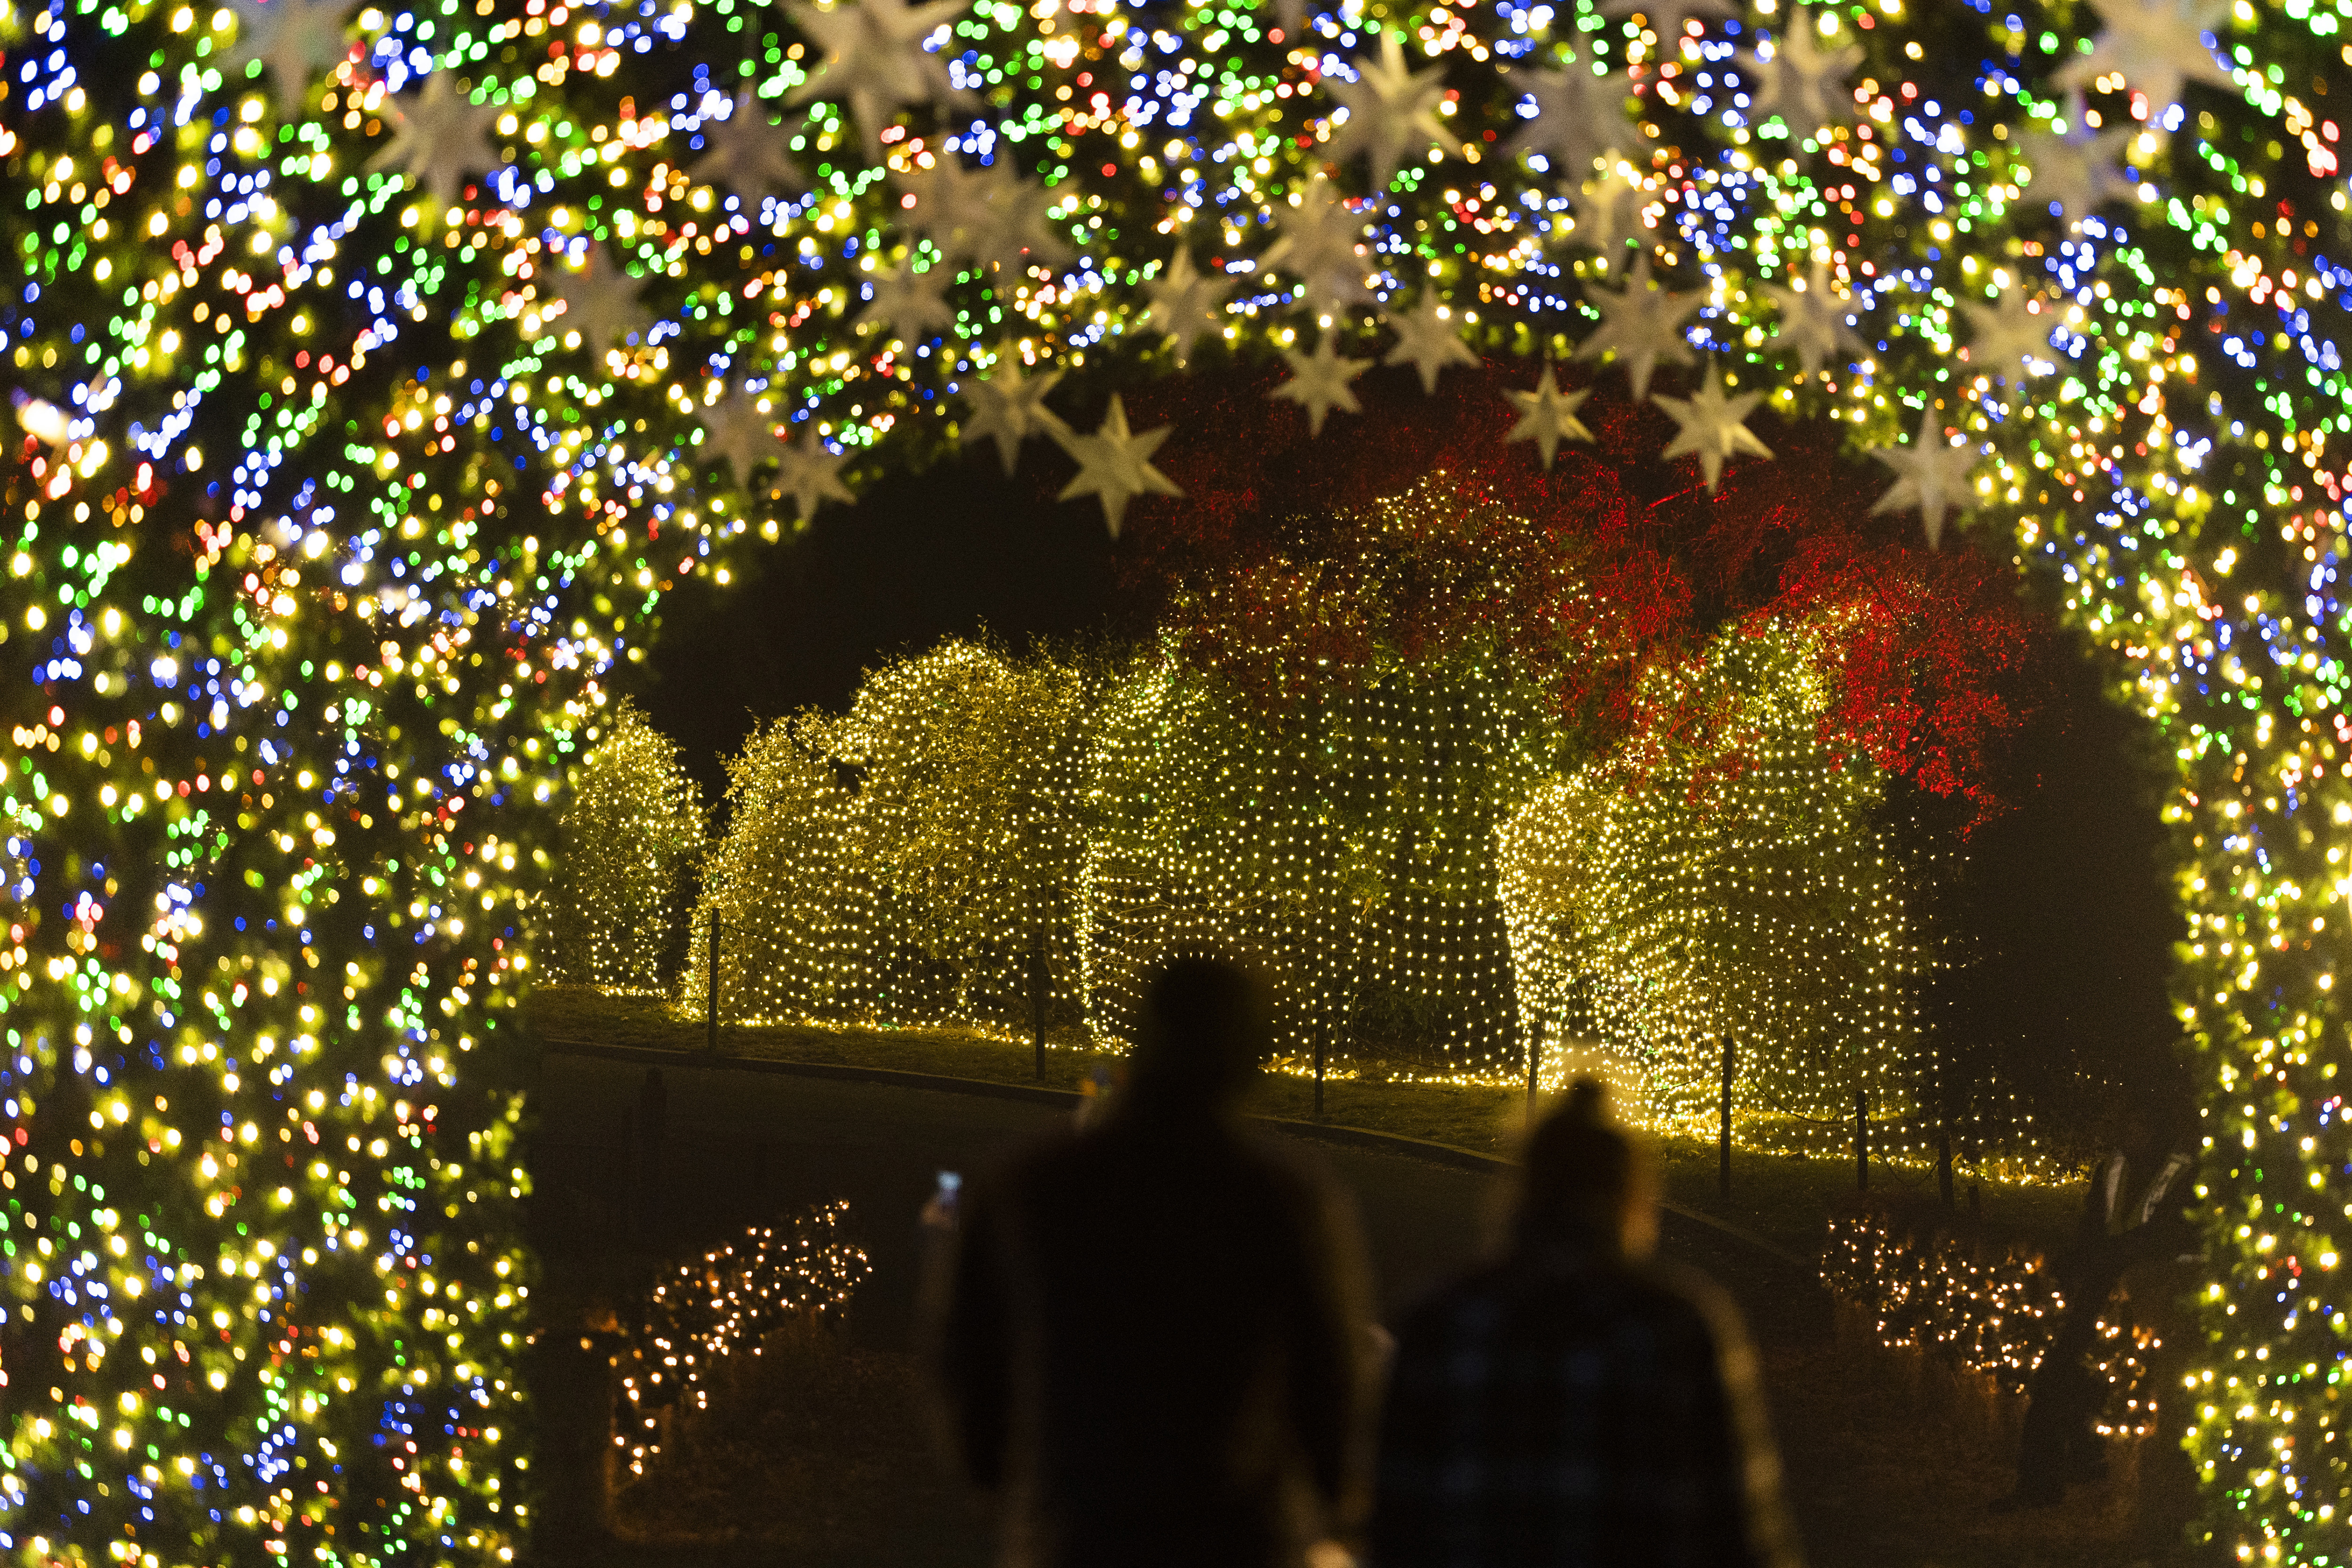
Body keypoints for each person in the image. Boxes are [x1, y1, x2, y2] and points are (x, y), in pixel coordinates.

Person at [932, 955, 1374, 1568]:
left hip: (1079, 1529)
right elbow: (1327, 1377)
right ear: (1246, 1057)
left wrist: (1006, 1484)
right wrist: (1336, 1508)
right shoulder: (1280, 1198)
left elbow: (966, 1357)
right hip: (1235, 1534)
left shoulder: (1029, 1185)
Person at [1371, 1078, 1801, 1568]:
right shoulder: (1676, 1325)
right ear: (1631, 1196)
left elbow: (1393, 1523)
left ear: (1521, 1190)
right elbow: (1739, 1530)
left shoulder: (1438, 1320)